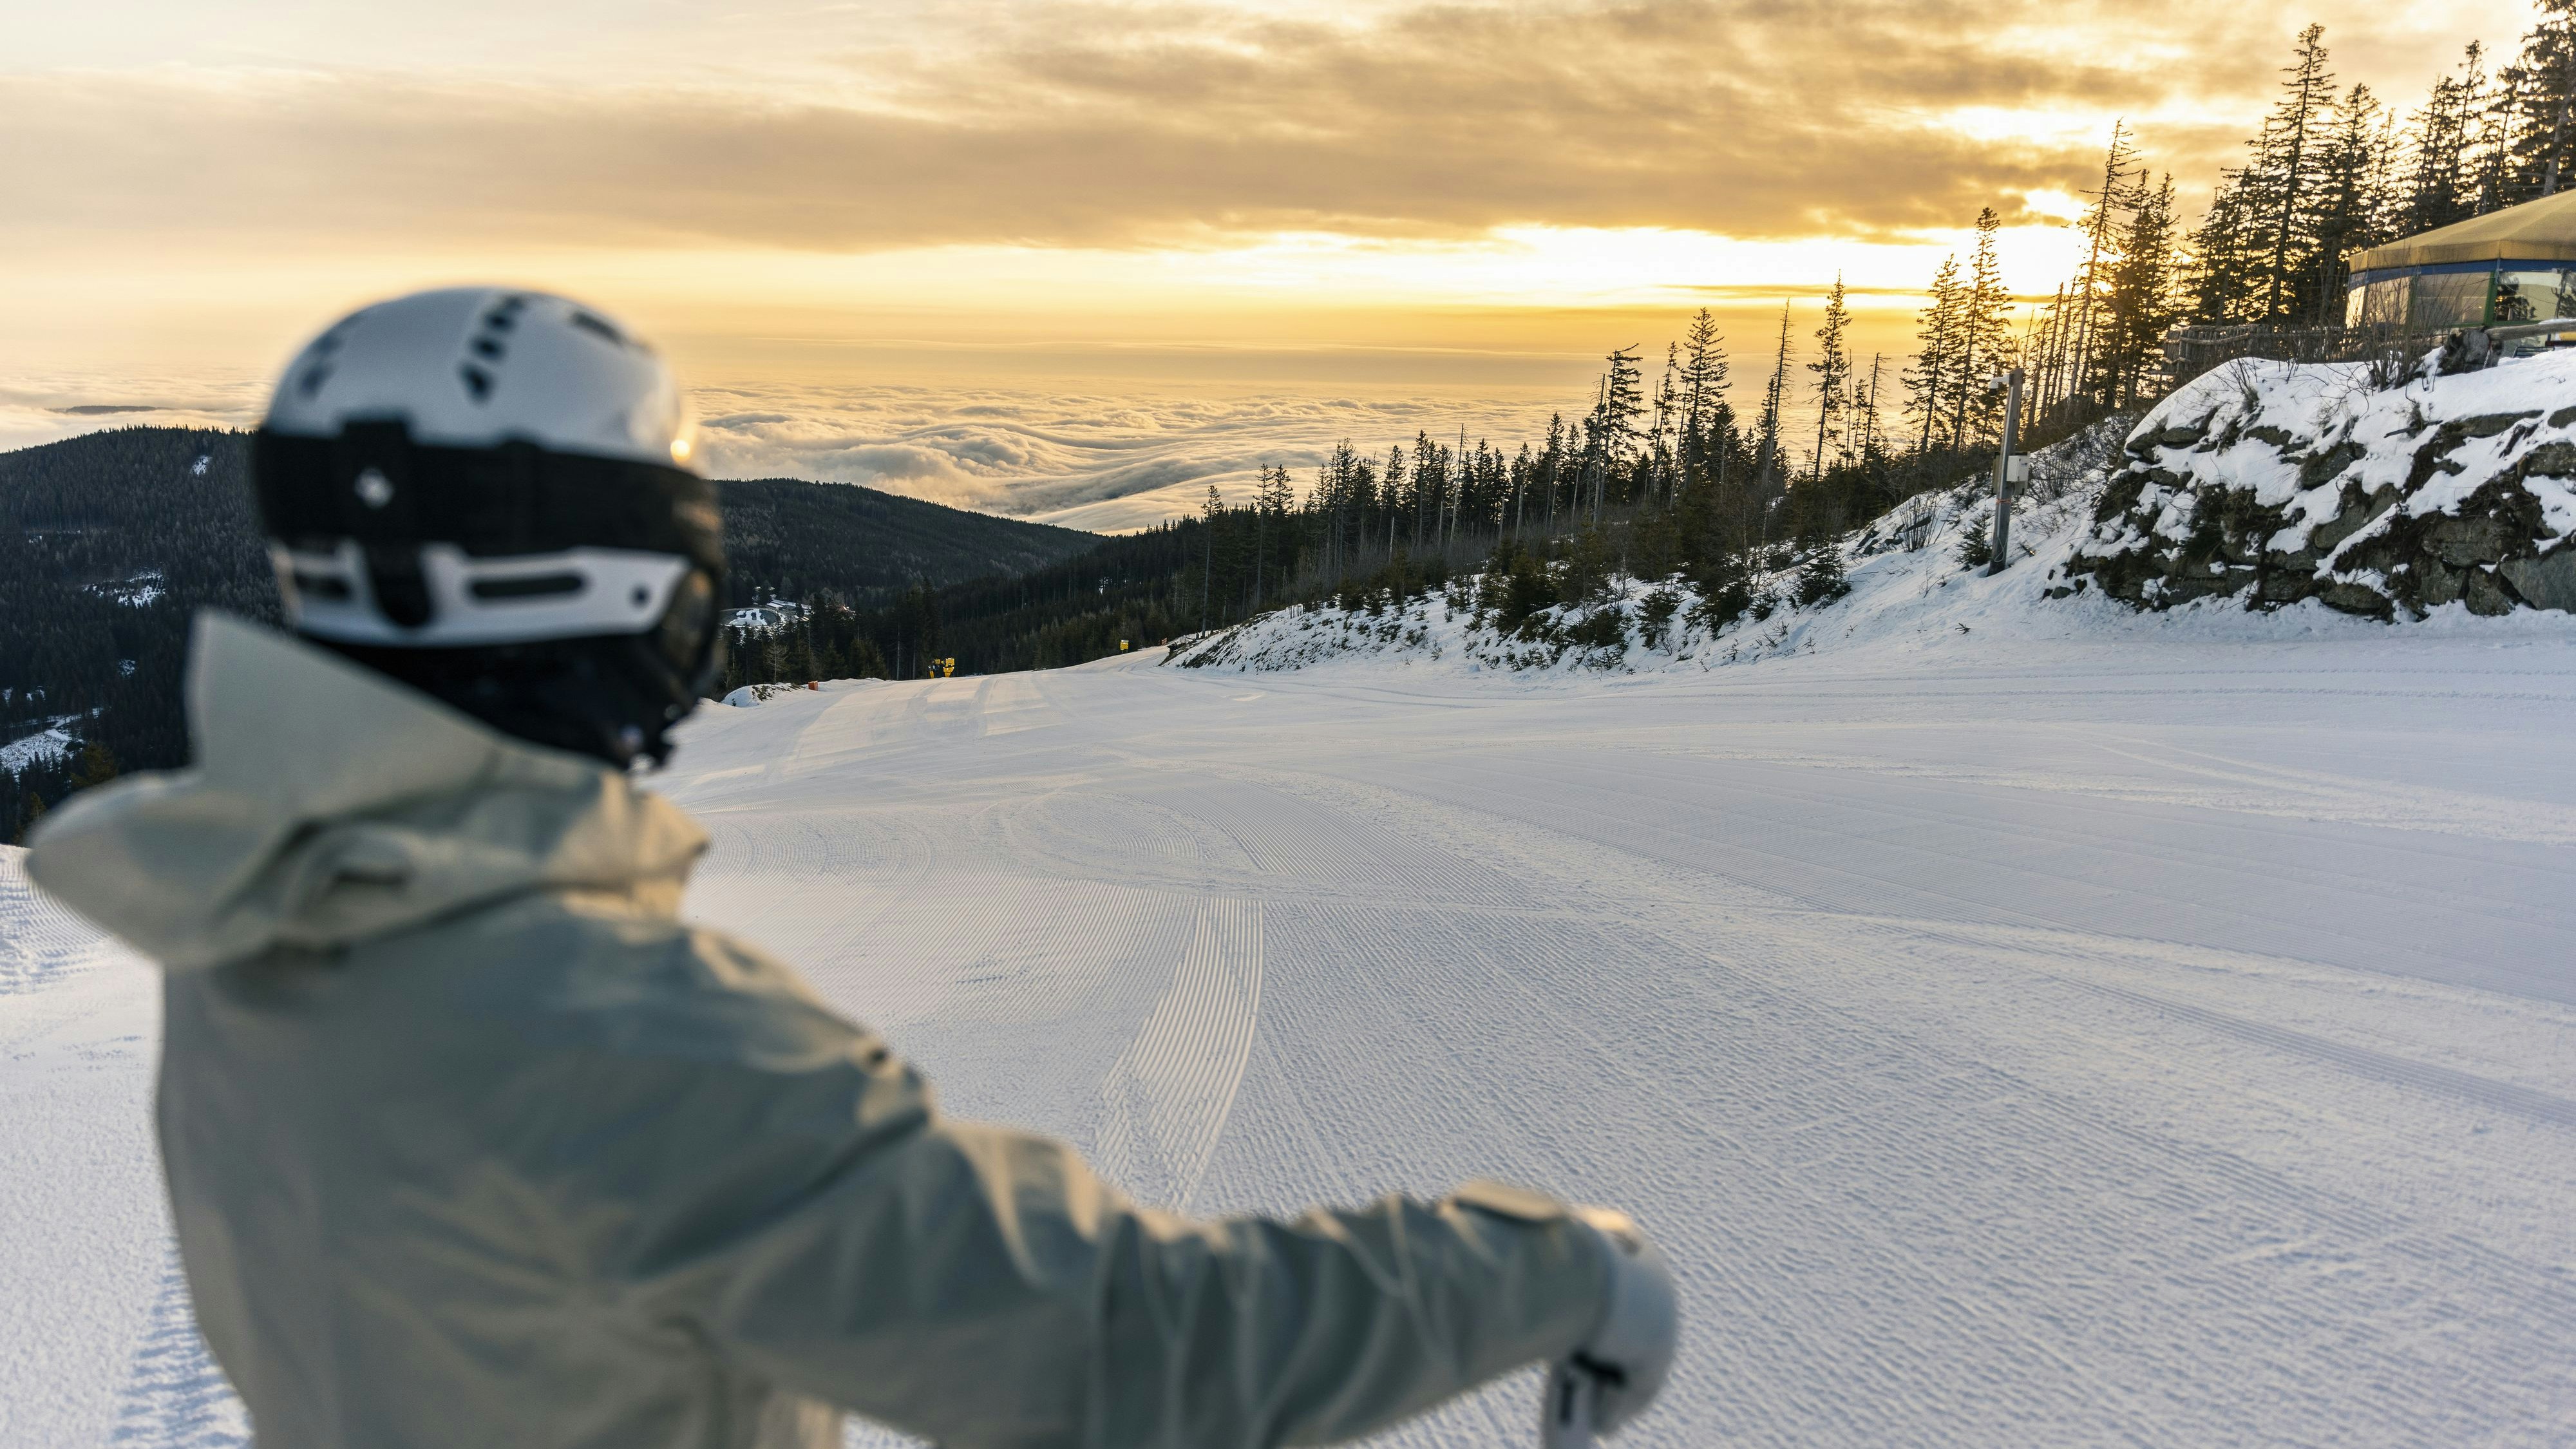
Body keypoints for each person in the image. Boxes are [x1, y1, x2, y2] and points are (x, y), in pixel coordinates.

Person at [28, 289, 1677, 1449]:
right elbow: (1116, 1354)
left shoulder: (260, 908)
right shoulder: (615, 1034)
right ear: (615, 586)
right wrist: (1544, 1263)